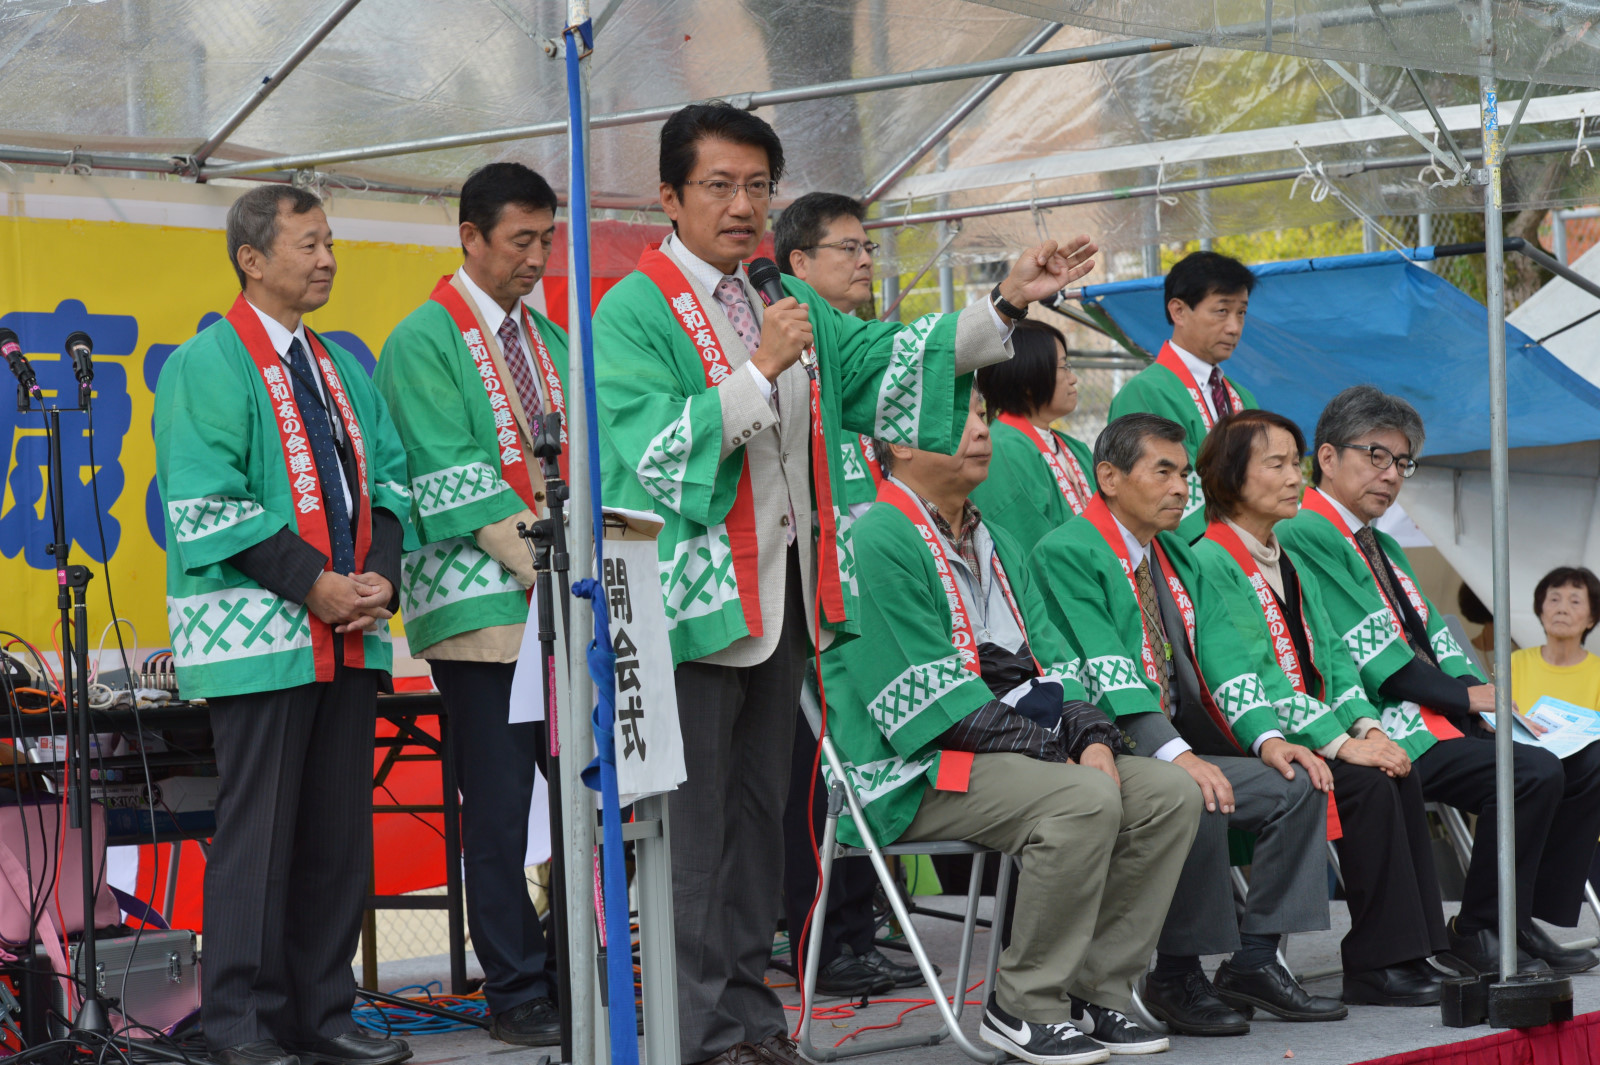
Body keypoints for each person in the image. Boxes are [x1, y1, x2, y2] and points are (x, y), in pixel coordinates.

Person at [593, 101, 1097, 1065]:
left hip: (788, 593)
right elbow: (651, 453)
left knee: (764, 823)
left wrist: (1004, 302)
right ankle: (700, 1036)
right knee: (698, 834)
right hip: (693, 604)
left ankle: (751, 1021)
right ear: (668, 196)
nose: (742, 206)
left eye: (757, 187)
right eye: (719, 186)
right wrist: (756, 370)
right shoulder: (633, 308)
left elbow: (884, 361)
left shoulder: (775, 290)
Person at [823, 392, 1200, 1065]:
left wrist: (1089, 735)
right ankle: (1023, 1002)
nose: (979, 429)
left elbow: (1053, 655)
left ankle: (1097, 988)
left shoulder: (989, 531)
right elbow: (931, 705)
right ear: (900, 446)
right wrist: (1067, 750)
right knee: (1084, 797)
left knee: (1170, 793)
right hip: (913, 768)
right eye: (959, 416)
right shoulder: (877, 535)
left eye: (983, 415)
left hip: (1012, 753)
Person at [154, 185, 415, 1065]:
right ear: (252, 260)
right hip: (263, 643)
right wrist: (316, 585)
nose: (328, 258)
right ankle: (239, 1026)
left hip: (347, 635)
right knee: (258, 839)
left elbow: (393, 484)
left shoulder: (340, 366)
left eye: (331, 242)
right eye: (309, 244)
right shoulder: (208, 361)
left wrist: (386, 573)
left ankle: (323, 1014)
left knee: (337, 837)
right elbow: (204, 500)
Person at [1032, 413, 1346, 1037]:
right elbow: (1109, 672)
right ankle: (1175, 975)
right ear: (1110, 478)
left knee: (1299, 781)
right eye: (1163, 472)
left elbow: (1228, 657)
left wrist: (1270, 738)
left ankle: (1256, 961)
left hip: (1175, 740)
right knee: (1195, 790)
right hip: (1100, 742)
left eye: (1183, 473)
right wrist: (1179, 755)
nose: (1181, 488)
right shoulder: (1068, 550)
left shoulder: (1177, 551)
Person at [1278, 385, 1600, 976]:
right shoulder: (1306, 531)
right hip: (1385, 723)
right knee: (1530, 771)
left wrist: (1479, 696)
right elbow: (1362, 649)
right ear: (1326, 457)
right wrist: (1465, 697)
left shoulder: (1385, 544)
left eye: (1401, 462)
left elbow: (1438, 636)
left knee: (1586, 758)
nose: (1392, 474)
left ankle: (1518, 917)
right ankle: (1482, 927)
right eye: (1376, 455)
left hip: (1439, 714)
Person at [373, 162, 568, 1046]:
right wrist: (544, 559)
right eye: (519, 240)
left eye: (545, 239)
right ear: (470, 237)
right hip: (482, 612)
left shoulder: (553, 340)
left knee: (579, 800)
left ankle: (571, 965)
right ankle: (517, 983)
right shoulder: (424, 338)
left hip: (566, 608)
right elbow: (449, 473)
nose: (535, 258)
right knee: (496, 804)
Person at [1193, 410, 1448, 1006]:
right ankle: (1376, 963)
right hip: (1249, 729)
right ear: (1231, 477)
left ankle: (1412, 951)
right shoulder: (1210, 557)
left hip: (1313, 725)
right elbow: (1250, 674)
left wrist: (1366, 726)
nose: (1293, 478)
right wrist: (1341, 744)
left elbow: (1333, 661)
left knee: (1392, 769)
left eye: (1294, 463)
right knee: (1364, 780)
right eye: (1275, 465)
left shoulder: (1287, 554)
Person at [773, 191, 917, 996]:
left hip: (861, 600)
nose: (865, 261)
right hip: (803, 601)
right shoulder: (786, 340)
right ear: (797, 265)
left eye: (869, 247)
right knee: (816, 776)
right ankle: (819, 939)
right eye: (846, 248)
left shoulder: (853, 352)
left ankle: (858, 927)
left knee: (870, 758)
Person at [1107, 251, 1259, 542]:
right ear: (1178, 311)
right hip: (1185, 557)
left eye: (1241, 312)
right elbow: (1150, 491)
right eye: (1221, 311)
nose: (1234, 327)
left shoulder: (1243, 397)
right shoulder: (1145, 392)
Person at [972, 317, 1097, 554]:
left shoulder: (1074, 447)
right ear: (1028, 379)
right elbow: (1029, 547)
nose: (1073, 378)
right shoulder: (1000, 449)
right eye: (1064, 367)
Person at [1509, 566, 1600, 890]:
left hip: (1582, 800)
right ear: (1540, 608)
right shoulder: (1513, 664)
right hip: (1526, 787)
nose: (1562, 607)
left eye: (1575, 601)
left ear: (1591, 618)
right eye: (1554, 598)